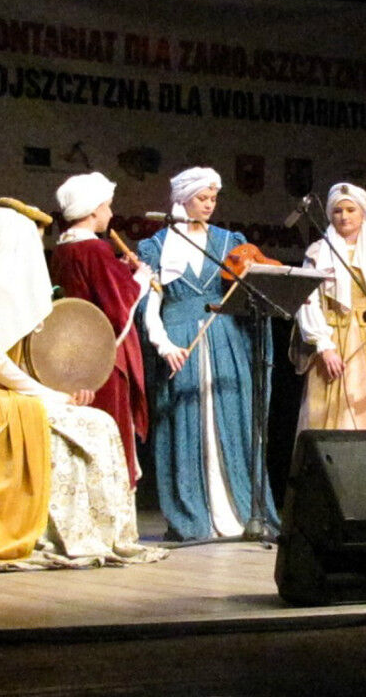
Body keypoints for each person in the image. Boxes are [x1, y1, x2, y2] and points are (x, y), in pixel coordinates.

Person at [0, 199, 167, 570]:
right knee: (92, 426)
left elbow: (26, 357)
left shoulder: (2, 279)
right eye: (35, 235)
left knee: (98, 422)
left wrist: (65, 390)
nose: (39, 244)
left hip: (9, 389)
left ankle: (94, 534)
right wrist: (50, 396)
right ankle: (60, 534)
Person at [137, 167, 278, 541]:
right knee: (186, 424)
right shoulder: (156, 246)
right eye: (202, 198)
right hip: (180, 338)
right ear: (183, 199)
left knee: (230, 420)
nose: (209, 205)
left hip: (225, 338)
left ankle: (239, 512)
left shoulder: (230, 242)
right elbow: (150, 303)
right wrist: (164, 345)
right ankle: (194, 515)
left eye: (213, 199)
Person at [51, 171, 153, 486]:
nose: (110, 213)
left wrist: (118, 272)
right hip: (101, 356)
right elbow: (116, 307)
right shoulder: (94, 249)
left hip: (73, 352)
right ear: (94, 209)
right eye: (107, 206)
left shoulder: (63, 248)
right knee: (109, 423)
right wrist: (140, 279)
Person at [294, 182, 366, 433]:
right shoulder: (318, 252)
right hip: (334, 337)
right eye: (338, 211)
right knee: (330, 414)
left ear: (363, 213)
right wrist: (324, 347)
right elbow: (307, 302)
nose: (344, 216)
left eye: (351, 210)